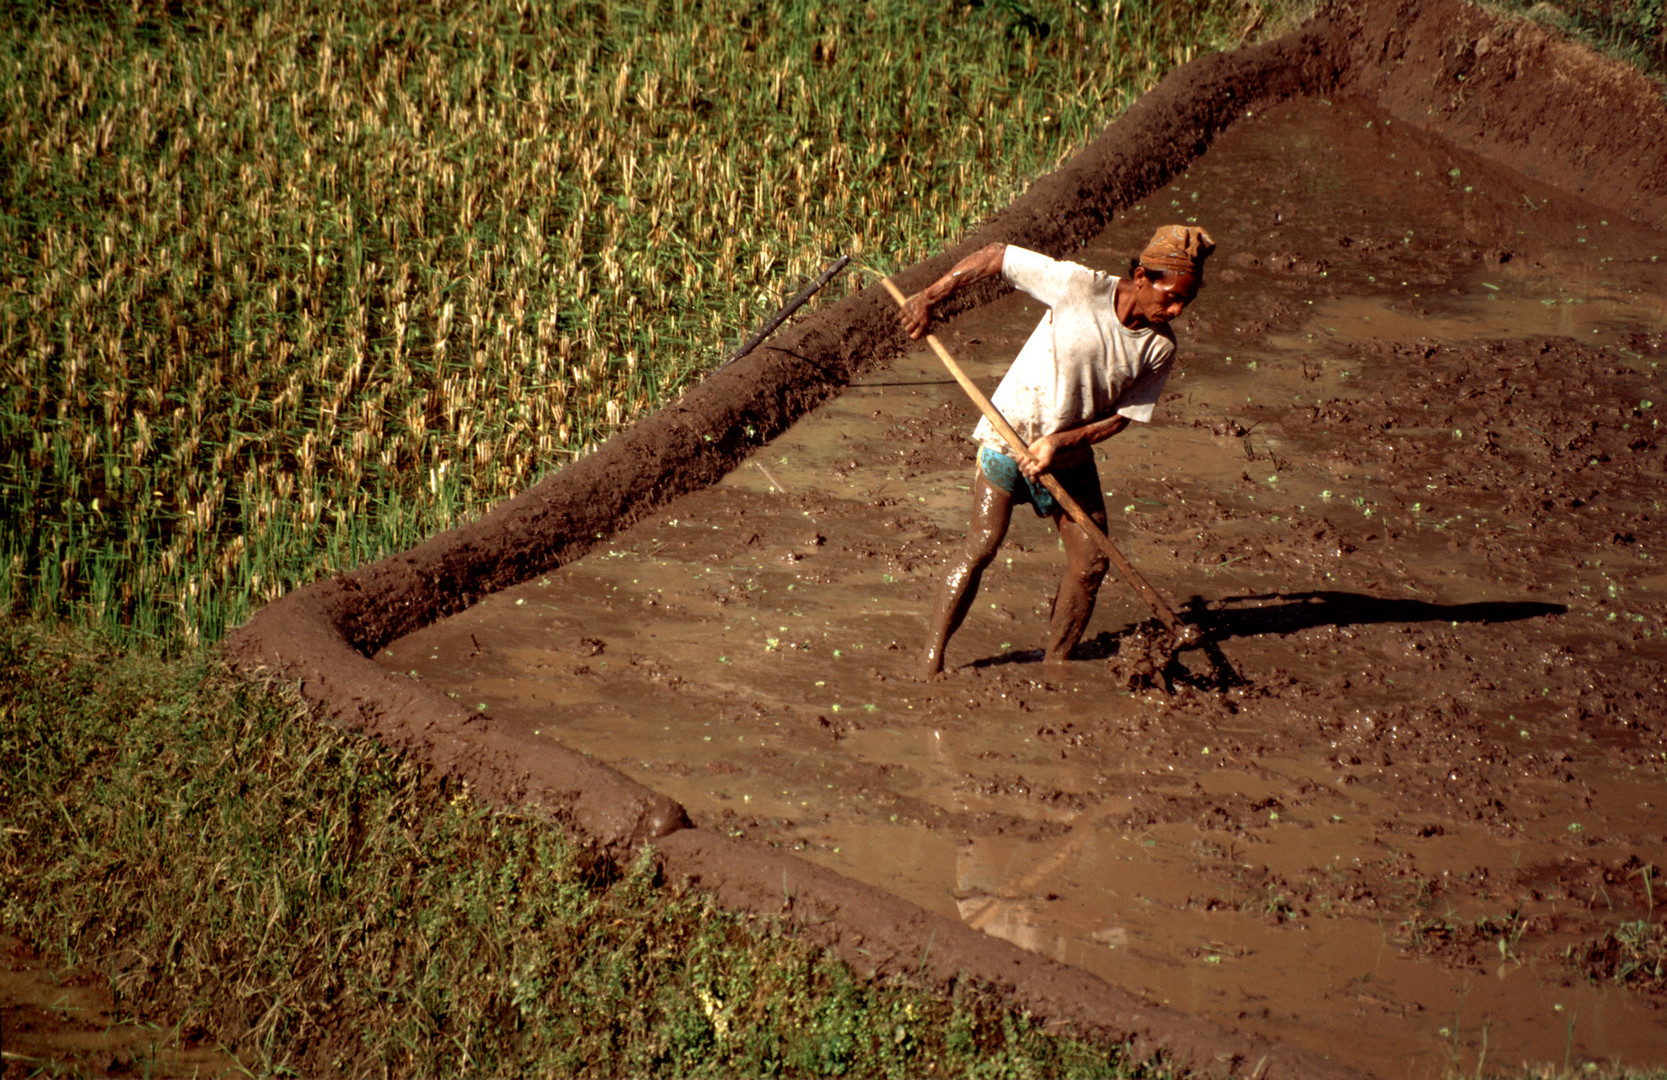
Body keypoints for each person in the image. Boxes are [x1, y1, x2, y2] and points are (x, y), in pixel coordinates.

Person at [901, 225, 1213, 679]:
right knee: (983, 545)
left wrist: (1059, 443)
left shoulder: (1160, 346)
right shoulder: (1080, 287)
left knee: (1091, 562)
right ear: (1142, 276)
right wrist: (930, 297)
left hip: (1066, 456)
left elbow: (1122, 418)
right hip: (1009, 436)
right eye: (1170, 297)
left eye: (1186, 300)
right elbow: (996, 256)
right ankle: (930, 662)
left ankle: (1055, 668)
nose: (1177, 310)